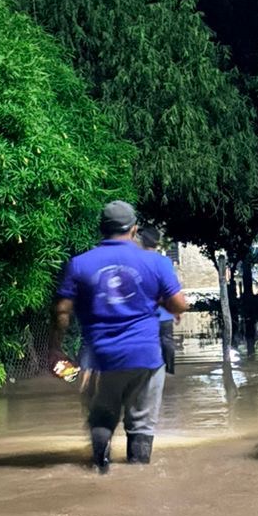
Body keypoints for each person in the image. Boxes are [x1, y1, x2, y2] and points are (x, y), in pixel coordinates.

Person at [50, 200, 189, 472]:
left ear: (102, 228)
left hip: (99, 360)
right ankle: (138, 482)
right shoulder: (156, 262)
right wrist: (159, 301)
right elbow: (180, 305)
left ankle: (100, 475)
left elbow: (61, 312)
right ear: (134, 229)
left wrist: (56, 349)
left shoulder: (79, 264)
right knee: (142, 425)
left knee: (101, 418)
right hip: (147, 357)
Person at [138, 223, 178, 376]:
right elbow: (171, 288)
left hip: (143, 314)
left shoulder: (136, 262)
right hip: (164, 312)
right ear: (158, 242)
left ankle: (149, 373)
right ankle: (170, 371)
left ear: (143, 242)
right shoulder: (164, 262)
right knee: (167, 341)